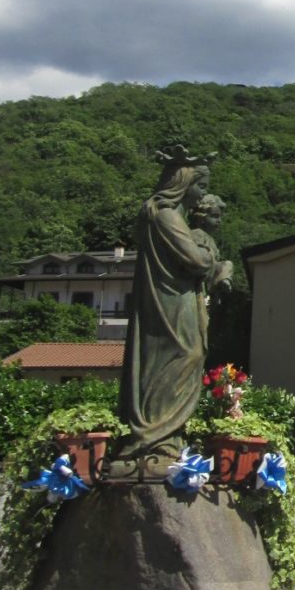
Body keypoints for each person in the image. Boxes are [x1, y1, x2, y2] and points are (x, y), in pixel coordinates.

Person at [118, 147, 223, 461]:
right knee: (184, 355)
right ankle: (156, 434)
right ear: (184, 183)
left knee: (173, 357)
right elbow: (195, 260)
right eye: (200, 186)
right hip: (171, 303)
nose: (202, 193)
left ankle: (165, 438)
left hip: (172, 298)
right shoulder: (167, 217)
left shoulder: (164, 216)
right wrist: (214, 261)